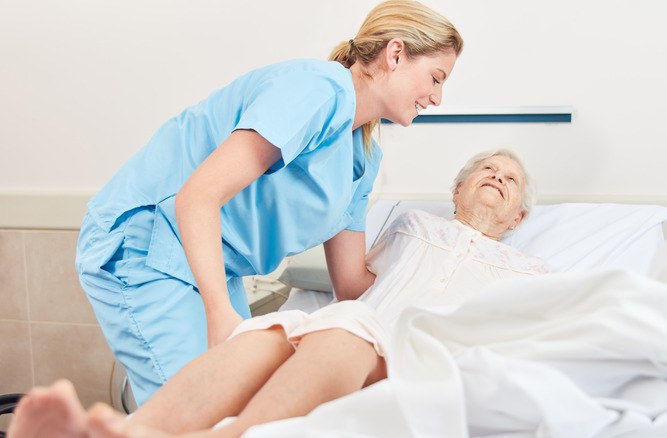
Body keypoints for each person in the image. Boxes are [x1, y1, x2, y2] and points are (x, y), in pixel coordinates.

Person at [73, 0, 463, 406]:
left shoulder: (362, 160)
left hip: (208, 264)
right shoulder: (315, 90)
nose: (436, 98)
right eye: (435, 78)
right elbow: (198, 196)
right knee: (198, 411)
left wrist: (438, 283)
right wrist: (220, 313)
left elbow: (351, 285)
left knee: (241, 410)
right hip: (146, 244)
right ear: (396, 54)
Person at [9, 149, 549, 438]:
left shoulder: (530, 272)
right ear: (456, 190)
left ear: (519, 215)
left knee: (345, 326)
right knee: (272, 329)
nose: (497, 177)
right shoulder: (409, 226)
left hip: (422, 355)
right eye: (487, 169)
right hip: (353, 336)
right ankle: (137, 433)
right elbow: (355, 282)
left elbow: (529, 339)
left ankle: (229, 436)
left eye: (510, 179)